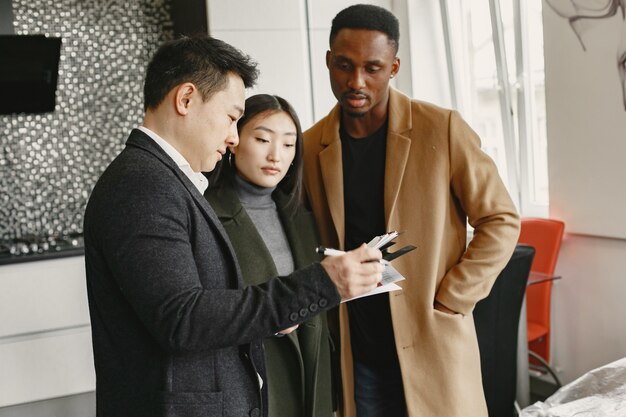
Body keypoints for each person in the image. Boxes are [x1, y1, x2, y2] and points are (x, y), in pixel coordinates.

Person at [83, 35, 384, 417]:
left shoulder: (165, 180)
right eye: (231, 117)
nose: (232, 137)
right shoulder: (142, 185)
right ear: (186, 99)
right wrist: (323, 284)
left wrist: (277, 318)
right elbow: (183, 319)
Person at [302, 4, 521, 417]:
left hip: (432, 339)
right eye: (344, 66)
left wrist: (454, 297)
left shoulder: (442, 128)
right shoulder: (311, 145)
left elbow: (501, 219)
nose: (356, 81)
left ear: (394, 66)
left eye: (373, 68)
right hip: (358, 350)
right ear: (328, 61)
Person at [205, 93, 334, 417]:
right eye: (262, 139)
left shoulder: (301, 216)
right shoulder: (206, 213)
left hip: (308, 380)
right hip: (249, 386)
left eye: (289, 144)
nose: (276, 155)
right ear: (233, 140)